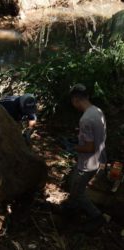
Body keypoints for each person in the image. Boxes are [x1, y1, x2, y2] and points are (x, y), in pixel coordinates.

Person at [64, 84, 107, 232]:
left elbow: (89, 147)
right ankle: (71, 207)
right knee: (72, 182)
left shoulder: (85, 119)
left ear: (75, 100)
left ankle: (97, 217)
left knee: (79, 192)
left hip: (88, 163)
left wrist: (72, 147)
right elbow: (95, 137)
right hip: (99, 158)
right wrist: (79, 140)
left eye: (72, 101)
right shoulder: (97, 111)